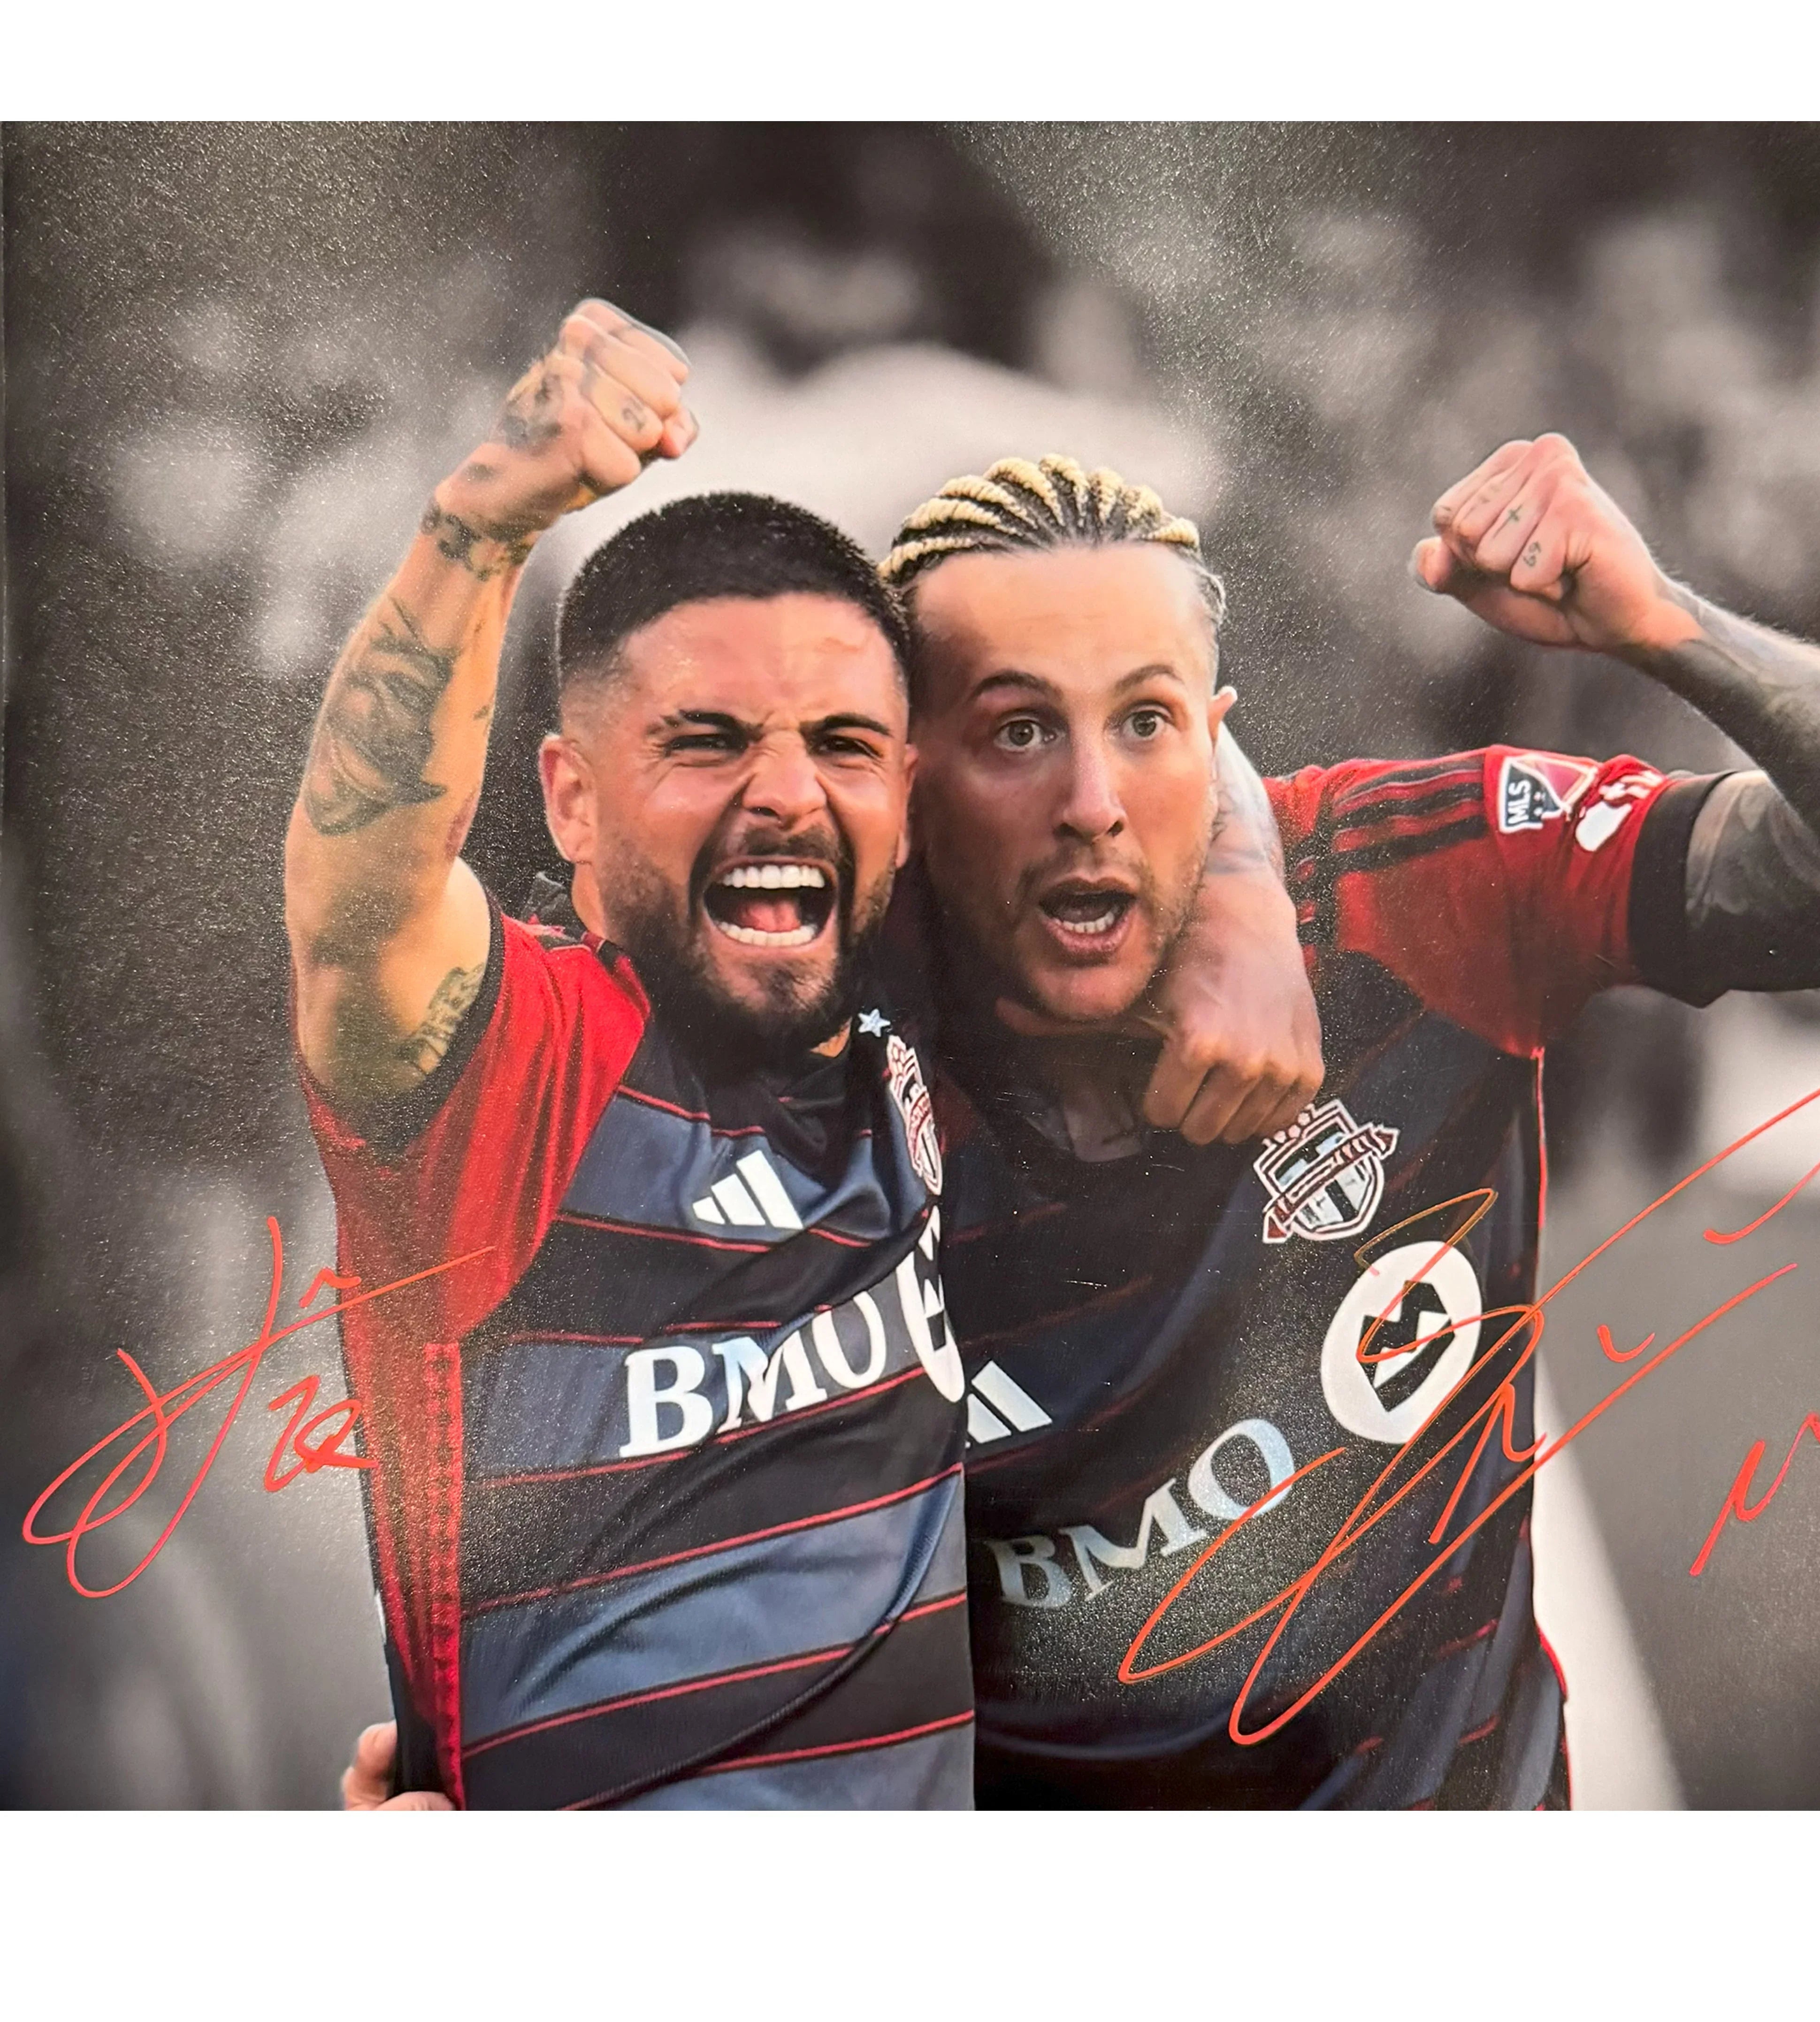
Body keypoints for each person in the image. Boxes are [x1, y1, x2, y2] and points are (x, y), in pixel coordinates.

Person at [864, 439, 1820, 1808]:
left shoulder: (1416, 885)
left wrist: (1665, 625)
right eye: (1017, 732)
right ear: (904, 777)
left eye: (1146, 722)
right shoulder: (810, 1064)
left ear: (1213, 736)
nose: (1091, 804)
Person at [298, 305, 1321, 1809]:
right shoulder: (520, 1064)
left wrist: (1241, 886)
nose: (785, 791)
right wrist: (482, 522)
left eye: (841, 745)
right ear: (571, 801)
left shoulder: (919, 1023)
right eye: (706, 739)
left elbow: (1126, 658)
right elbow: (361, 899)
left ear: (903, 795)